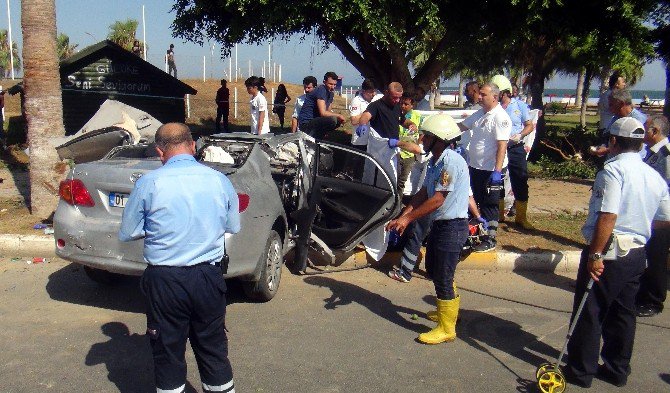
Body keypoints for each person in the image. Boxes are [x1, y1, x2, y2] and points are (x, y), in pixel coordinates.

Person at [119, 122, 240, 393]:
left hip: (165, 280)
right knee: (213, 349)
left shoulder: (149, 183)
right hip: (208, 277)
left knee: (167, 351)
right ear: (193, 145)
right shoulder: (219, 180)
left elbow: (128, 232)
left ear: (159, 151)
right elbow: (233, 226)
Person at [563, 117, 670, 388]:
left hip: (610, 249)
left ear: (613, 141)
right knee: (623, 313)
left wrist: (596, 254)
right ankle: (616, 368)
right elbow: (664, 217)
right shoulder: (653, 174)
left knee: (591, 310)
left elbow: (608, 215)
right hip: (636, 251)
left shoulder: (611, 172)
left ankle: (580, 370)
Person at [386, 114, 470, 345]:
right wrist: (403, 216)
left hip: (452, 227)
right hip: (440, 225)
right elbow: (424, 193)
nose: (421, 138)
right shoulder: (435, 161)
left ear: (439, 139)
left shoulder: (450, 162)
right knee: (436, 271)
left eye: (426, 135)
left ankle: (446, 327)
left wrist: (409, 218)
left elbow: (438, 199)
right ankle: (449, 313)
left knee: (443, 276)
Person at [458, 83, 511, 252]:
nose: (479, 97)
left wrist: (497, 172)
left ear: (495, 97)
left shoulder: (500, 117)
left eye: (483, 94)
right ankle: (474, 234)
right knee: (474, 202)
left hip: (491, 170)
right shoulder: (480, 113)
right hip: (475, 167)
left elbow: (502, 145)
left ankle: (490, 238)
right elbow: (462, 126)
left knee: (489, 204)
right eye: (479, 94)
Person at [636, 115, 670, 317]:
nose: (643, 132)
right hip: (650, 213)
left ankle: (654, 301)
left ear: (655, 132)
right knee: (649, 256)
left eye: (646, 128)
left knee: (657, 258)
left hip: (661, 217)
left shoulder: (666, 155)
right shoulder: (653, 153)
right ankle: (644, 294)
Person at [491, 74, 535, 229]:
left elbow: (529, 125)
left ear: (505, 92)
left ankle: (521, 217)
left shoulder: (519, 106)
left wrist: (521, 134)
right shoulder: (494, 108)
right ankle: (499, 215)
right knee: (499, 180)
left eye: (498, 92)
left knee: (520, 180)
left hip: (516, 148)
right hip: (499, 148)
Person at [297, 71, 346, 139]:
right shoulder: (321, 90)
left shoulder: (331, 93)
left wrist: (339, 118)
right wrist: (339, 115)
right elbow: (323, 113)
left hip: (316, 120)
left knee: (337, 121)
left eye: (334, 85)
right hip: (306, 123)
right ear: (324, 82)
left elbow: (328, 111)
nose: (333, 87)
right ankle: (316, 135)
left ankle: (321, 135)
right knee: (333, 120)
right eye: (330, 84)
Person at [397, 93, 422, 196]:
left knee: (402, 181)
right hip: (396, 151)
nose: (403, 106)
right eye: (401, 103)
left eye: (406, 104)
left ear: (412, 105)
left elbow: (422, 133)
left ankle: (399, 202)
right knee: (394, 179)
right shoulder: (396, 114)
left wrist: (418, 146)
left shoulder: (417, 116)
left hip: (409, 154)